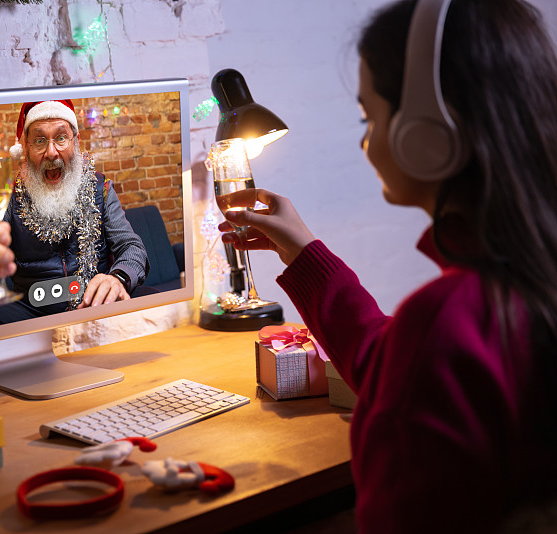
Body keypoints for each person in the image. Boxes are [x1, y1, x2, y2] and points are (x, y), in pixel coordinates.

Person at [219, 0, 557, 532]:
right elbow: (394, 365)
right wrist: (303, 253)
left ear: (428, 136)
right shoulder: (522, 284)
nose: (364, 139)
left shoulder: (447, 318)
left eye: (369, 117)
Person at [0, 99, 149, 333]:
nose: (51, 152)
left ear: (75, 143)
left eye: (61, 138)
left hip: (96, 301)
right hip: (33, 311)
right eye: (39, 141)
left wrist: (117, 279)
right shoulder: (10, 197)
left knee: (154, 303)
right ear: (26, 149)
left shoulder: (100, 188)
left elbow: (131, 247)